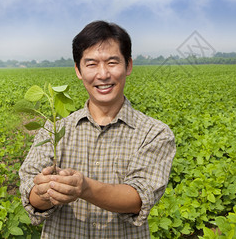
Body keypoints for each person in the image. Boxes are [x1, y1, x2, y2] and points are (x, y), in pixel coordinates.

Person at [19, 21, 176, 238]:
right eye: (91, 64)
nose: (103, 74)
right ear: (78, 70)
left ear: (128, 65)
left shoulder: (154, 133)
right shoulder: (54, 128)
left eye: (112, 62)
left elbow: (139, 198)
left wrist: (84, 188)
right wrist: (44, 191)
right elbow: (31, 197)